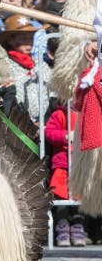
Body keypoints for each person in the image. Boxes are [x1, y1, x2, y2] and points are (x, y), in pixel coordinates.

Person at [44, 101, 87, 246]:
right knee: (61, 198)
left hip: (80, 165)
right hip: (62, 166)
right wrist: (66, 136)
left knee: (79, 199)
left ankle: (78, 228)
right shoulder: (59, 114)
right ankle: (62, 231)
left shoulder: (85, 114)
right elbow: (49, 132)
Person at [0, 14, 51, 122]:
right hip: (17, 127)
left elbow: (52, 92)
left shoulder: (41, 64)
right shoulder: (4, 65)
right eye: (24, 38)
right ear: (11, 40)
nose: (29, 42)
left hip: (45, 127)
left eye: (31, 38)